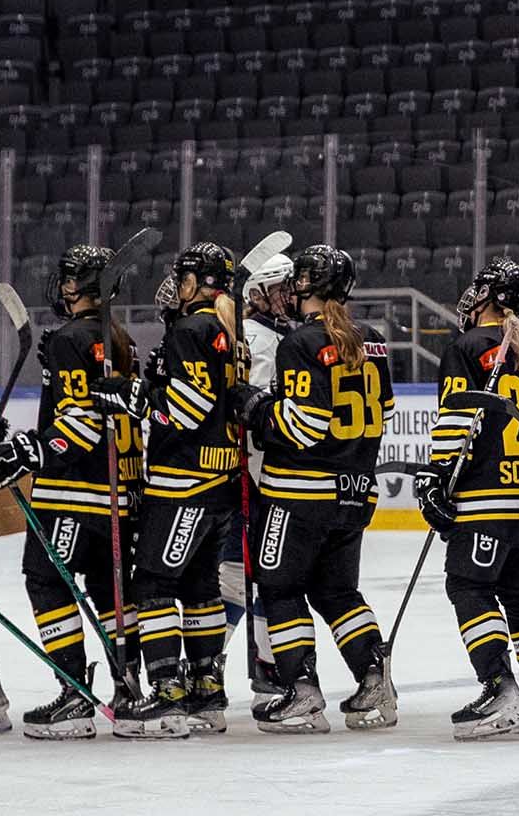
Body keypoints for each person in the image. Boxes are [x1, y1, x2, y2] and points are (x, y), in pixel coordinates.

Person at [228, 244, 399, 734]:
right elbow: (383, 417)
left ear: (303, 285)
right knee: (339, 593)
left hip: (299, 495)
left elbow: (301, 427)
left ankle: (301, 692)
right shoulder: (374, 341)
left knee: (280, 590)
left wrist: (255, 406)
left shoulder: (300, 343)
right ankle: (374, 681)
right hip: (354, 492)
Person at [0, 245, 141, 739]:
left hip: (76, 493)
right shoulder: (117, 337)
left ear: (78, 287)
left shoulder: (72, 338)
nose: (62, 286)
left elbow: (81, 422)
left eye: (68, 279)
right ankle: (129, 686)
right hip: (118, 491)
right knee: (113, 592)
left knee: (45, 579)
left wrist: (31, 451)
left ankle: (74, 691)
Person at [95, 242, 248, 738]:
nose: (175, 284)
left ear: (198, 283)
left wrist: (131, 395)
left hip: (184, 486)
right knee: (200, 589)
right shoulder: (229, 331)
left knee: (156, 585)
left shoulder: (192, 328)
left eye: (182, 276)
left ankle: (167, 695)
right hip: (219, 484)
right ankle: (207, 693)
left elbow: (185, 412)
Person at [418, 260, 519, 740]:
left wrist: (437, 478)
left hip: (489, 495)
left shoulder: (466, 347)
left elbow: (460, 419)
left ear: (489, 299)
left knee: (468, 586)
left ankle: (499, 688)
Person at [230, 250, 294, 700]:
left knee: (267, 578)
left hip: (268, 475)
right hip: (254, 475)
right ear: (257, 294)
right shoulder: (254, 336)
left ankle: (266, 667)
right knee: (240, 576)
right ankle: (208, 666)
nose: (287, 297)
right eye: (279, 289)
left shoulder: (282, 335)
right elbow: (249, 412)